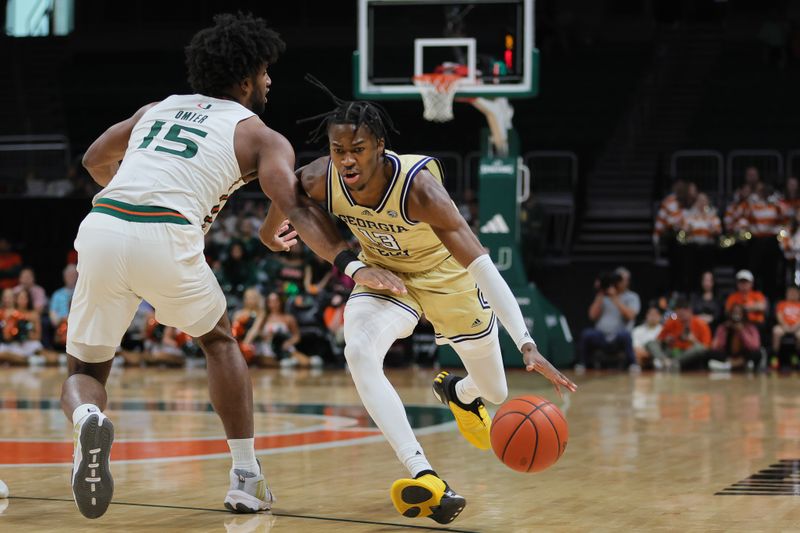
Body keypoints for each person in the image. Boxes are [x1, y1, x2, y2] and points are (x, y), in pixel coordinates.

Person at [62, 14, 402, 519]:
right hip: (168, 235)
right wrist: (350, 265)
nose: (269, 81)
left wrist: (135, 190)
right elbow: (298, 206)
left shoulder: (157, 108)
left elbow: (93, 160)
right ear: (246, 79)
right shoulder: (262, 137)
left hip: (104, 224)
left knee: (87, 368)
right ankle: (246, 477)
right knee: (218, 341)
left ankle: (88, 416)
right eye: (265, 72)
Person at [261, 78, 576, 524]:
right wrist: (271, 233)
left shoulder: (420, 189)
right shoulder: (322, 176)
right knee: (359, 352)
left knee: (496, 392)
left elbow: (483, 267)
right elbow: (287, 193)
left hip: (447, 280)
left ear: (379, 146)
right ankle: (424, 474)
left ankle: (460, 393)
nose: (347, 159)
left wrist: (524, 341)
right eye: (338, 150)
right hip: (384, 278)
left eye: (359, 148)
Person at [576, 268, 641, 372]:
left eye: (623, 280)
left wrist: (615, 297)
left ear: (628, 282)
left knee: (626, 335)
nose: (619, 282)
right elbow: (592, 316)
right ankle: (582, 363)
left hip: (618, 337)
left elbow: (630, 316)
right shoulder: (603, 296)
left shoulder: (632, 297)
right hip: (601, 335)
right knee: (586, 334)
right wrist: (601, 293)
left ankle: (633, 364)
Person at [645, 297, 712, 371]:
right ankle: (664, 361)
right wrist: (666, 340)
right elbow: (658, 339)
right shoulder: (673, 321)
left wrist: (694, 340)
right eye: (679, 316)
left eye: (683, 316)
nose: (682, 319)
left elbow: (706, 347)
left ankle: (672, 363)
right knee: (650, 343)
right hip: (672, 352)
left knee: (700, 348)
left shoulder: (701, 324)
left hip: (688, 354)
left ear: (689, 311)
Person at [708, 304, 761, 371]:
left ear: (743, 314)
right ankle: (736, 365)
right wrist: (725, 331)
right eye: (734, 313)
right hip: (728, 356)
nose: (736, 316)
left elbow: (755, 346)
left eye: (739, 313)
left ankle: (730, 365)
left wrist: (742, 331)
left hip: (743, 355)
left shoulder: (750, 327)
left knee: (757, 353)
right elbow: (715, 347)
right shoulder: (723, 327)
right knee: (710, 353)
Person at [771, 285, 800, 367]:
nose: (792, 294)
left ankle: (796, 357)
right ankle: (774, 357)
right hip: (784, 326)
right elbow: (779, 316)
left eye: (794, 292)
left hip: (797, 327)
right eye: (790, 292)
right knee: (776, 331)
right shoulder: (782, 304)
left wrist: (796, 326)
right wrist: (784, 325)